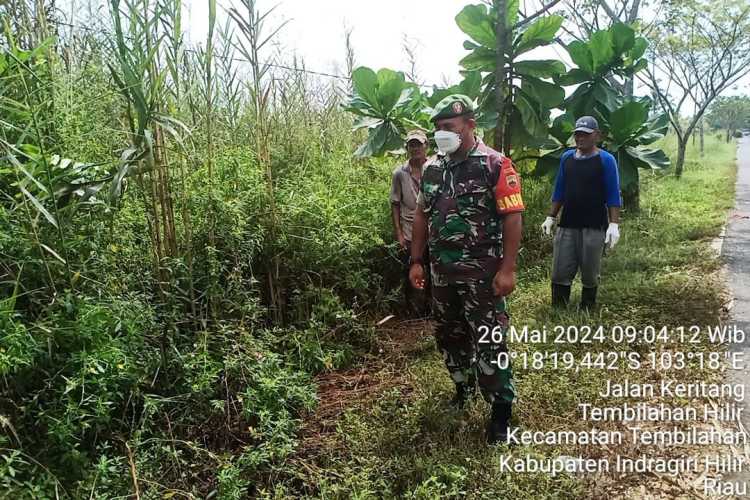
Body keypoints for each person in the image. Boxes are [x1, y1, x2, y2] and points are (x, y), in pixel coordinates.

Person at [409, 95, 524, 444]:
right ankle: (463, 388)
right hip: (443, 275)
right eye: (438, 129)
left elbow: (512, 216)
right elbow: (421, 215)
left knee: (489, 340)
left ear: (470, 126)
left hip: (483, 277)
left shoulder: (495, 164)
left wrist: (508, 268)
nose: (442, 134)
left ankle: (501, 412)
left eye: (449, 128)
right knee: (449, 336)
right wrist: (416, 260)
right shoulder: (432, 168)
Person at [541, 115, 621, 310]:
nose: (580, 138)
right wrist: (551, 216)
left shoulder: (606, 160)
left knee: (590, 271)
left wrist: (613, 224)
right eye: (577, 134)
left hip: (594, 224)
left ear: (597, 136)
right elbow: (560, 189)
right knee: (561, 268)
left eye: (585, 134)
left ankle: (587, 307)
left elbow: (613, 193)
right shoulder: (567, 158)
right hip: (568, 223)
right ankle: (559, 307)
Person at [390, 129, 431, 315]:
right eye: (411, 145)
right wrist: (399, 233)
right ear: (407, 148)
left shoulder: (435, 168)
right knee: (411, 271)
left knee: (432, 271)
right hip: (409, 233)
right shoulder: (399, 173)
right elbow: (395, 204)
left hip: (433, 232)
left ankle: (431, 310)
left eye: (418, 144)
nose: (415, 148)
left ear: (426, 146)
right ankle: (412, 312)